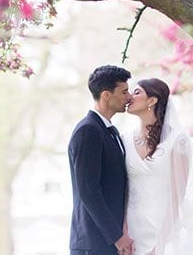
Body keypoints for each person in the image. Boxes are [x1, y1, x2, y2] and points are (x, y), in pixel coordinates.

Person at [122, 78, 193, 255]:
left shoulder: (177, 140)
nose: (129, 97)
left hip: (163, 230)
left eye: (136, 92)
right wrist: (123, 233)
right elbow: (123, 190)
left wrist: (160, 244)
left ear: (152, 100)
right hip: (132, 233)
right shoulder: (124, 139)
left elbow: (177, 194)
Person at [68, 65, 135, 255]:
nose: (129, 97)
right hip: (93, 244)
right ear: (106, 95)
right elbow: (88, 190)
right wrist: (117, 236)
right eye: (124, 92)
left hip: (106, 244)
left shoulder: (109, 131)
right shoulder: (88, 131)